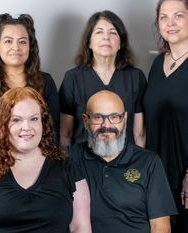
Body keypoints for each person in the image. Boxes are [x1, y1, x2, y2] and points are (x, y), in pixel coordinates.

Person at [0, 87, 91, 233]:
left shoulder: (67, 168)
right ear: (3, 124)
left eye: (34, 119)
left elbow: (80, 227)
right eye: (16, 120)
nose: (26, 127)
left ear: (43, 123)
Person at [68, 90, 177, 233]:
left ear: (125, 118)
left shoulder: (149, 162)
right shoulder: (69, 158)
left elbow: (161, 225)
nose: (106, 126)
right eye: (98, 117)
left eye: (114, 117)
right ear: (86, 120)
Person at [0, 13, 60, 166]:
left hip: (39, 164)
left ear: (30, 46)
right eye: (8, 41)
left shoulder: (46, 82)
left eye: (22, 41)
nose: (16, 47)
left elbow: (53, 134)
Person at [59, 10, 147, 148]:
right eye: (99, 32)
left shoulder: (136, 77)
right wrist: (67, 166)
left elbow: (139, 134)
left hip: (125, 161)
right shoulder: (72, 78)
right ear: (89, 42)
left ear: (120, 43)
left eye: (113, 32)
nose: (106, 37)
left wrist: (138, 166)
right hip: (82, 162)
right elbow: (65, 133)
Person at [143, 0, 188, 233]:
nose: (170, 23)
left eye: (178, 16)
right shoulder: (157, 63)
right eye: (164, 17)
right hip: (157, 176)